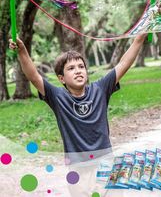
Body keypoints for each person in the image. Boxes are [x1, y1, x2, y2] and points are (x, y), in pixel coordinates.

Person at [9, 34, 146, 162]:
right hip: (77, 165)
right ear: (61, 78)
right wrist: (22, 51)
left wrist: (139, 38)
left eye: (81, 66)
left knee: (105, 188)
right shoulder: (58, 97)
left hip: (105, 161)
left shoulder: (100, 89)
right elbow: (34, 77)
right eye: (71, 68)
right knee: (81, 189)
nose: (78, 71)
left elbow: (123, 64)